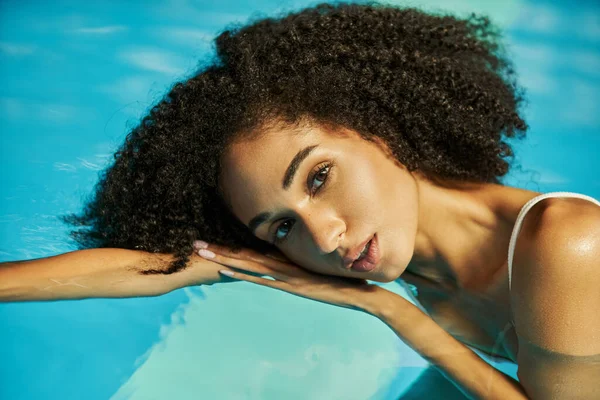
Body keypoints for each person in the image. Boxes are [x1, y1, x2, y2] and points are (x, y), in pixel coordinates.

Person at [1, 2, 599, 398]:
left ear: (375, 127)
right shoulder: (374, 241)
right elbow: (167, 266)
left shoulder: (567, 239)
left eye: (317, 178)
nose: (323, 237)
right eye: (280, 228)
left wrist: (395, 314)